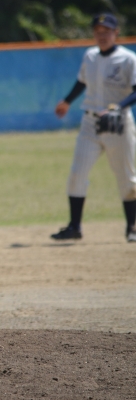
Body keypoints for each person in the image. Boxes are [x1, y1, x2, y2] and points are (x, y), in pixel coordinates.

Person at [52, 13, 136, 242]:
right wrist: (67, 101)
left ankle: (132, 227)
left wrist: (118, 107)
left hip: (118, 123)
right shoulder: (90, 56)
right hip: (90, 123)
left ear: (116, 33)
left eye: (107, 31)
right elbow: (82, 82)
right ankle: (74, 227)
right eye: (98, 32)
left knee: (127, 177)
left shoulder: (128, 59)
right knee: (77, 174)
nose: (102, 35)